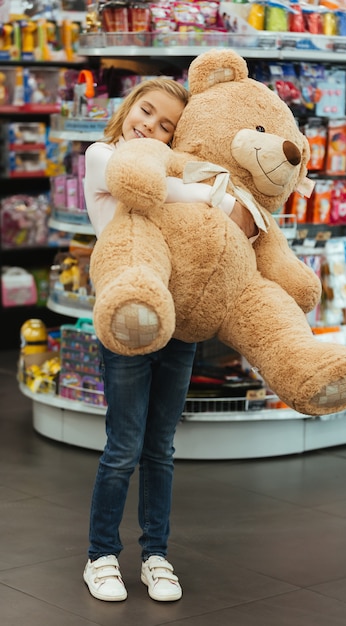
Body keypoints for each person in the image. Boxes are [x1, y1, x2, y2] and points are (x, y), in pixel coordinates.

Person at [83, 77, 256, 604]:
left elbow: (231, 223)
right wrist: (212, 192)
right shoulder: (102, 155)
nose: (150, 126)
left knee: (160, 447)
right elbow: (162, 191)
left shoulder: (173, 166)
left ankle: (156, 553)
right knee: (123, 447)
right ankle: (101, 556)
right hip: (128, 321)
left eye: (166, 126)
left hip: (181, 322)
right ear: (129, 106)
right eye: (147, 111)